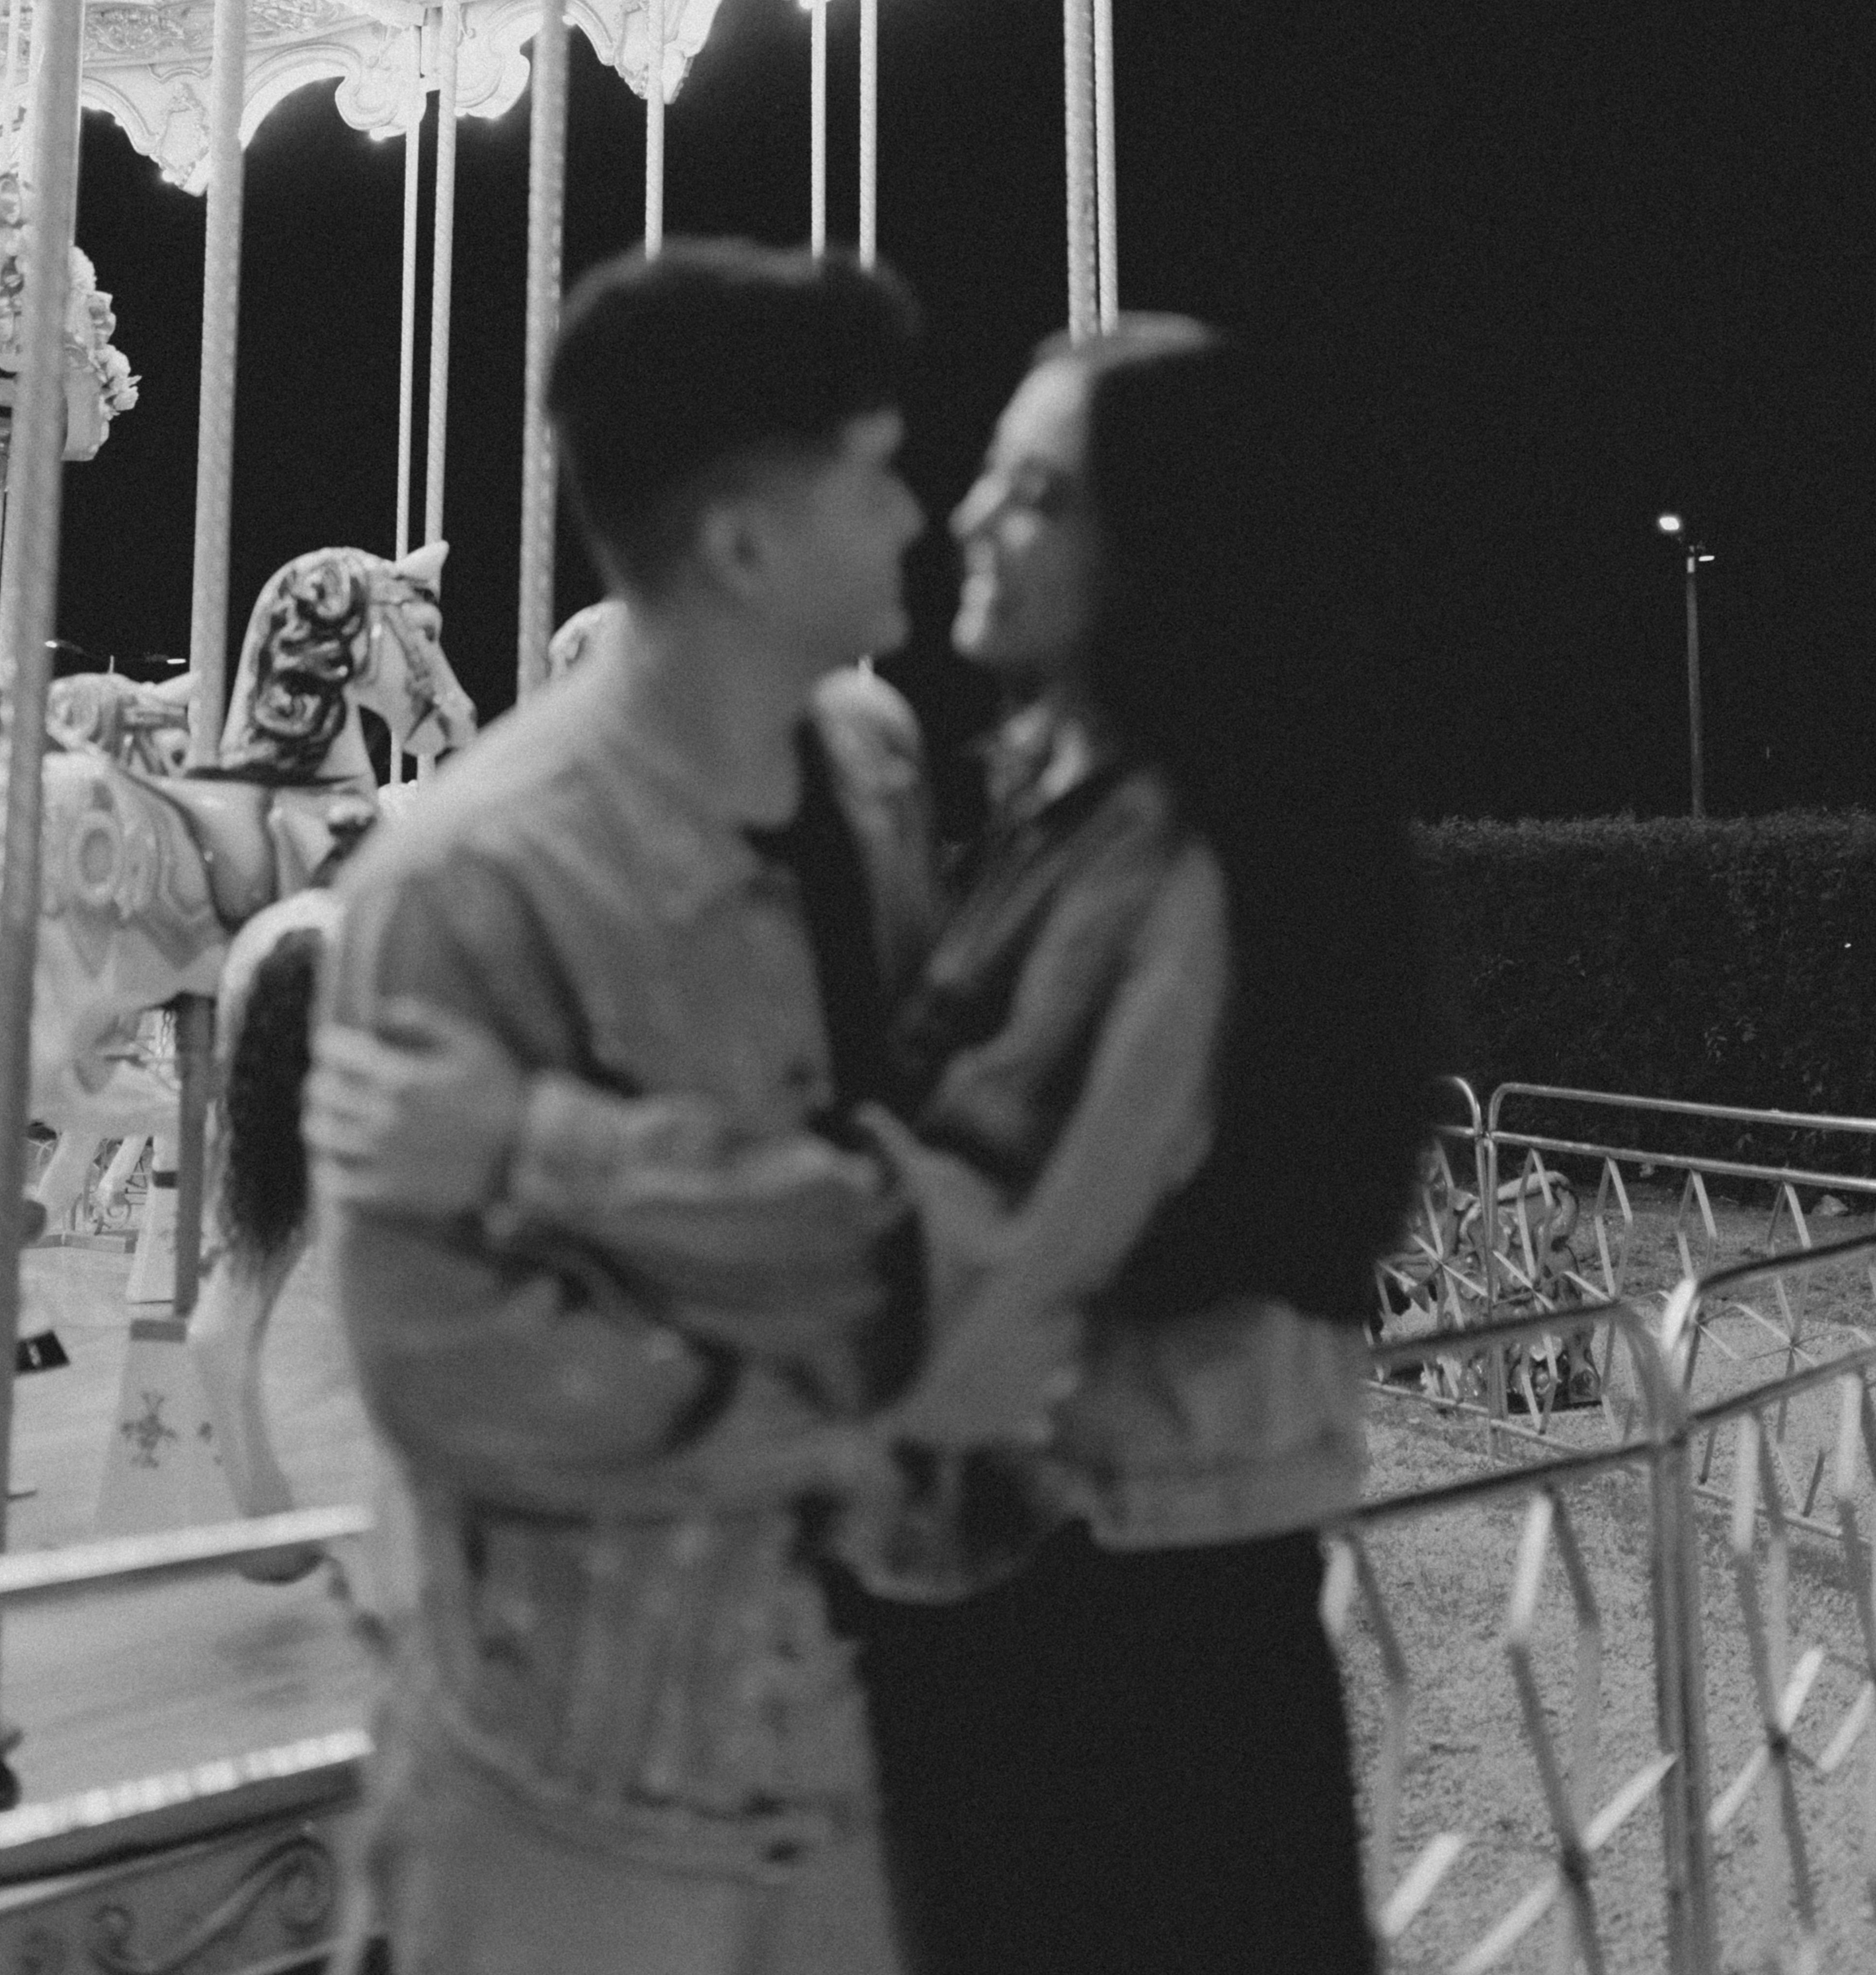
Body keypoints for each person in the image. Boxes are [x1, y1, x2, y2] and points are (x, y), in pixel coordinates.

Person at [315, 312, 1435, 1973]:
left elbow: (967, 1239)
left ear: (1165, 554)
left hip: (1116, 1628)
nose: (957, 515)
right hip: (1051, 1601)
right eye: (954, 476)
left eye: (1036, 494)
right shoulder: (1047, 805)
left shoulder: (1174, 865)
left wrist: (531, 1144)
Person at [318, 240, 959, 1975]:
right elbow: (455, 1370)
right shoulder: (461, 883)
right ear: (747, 543)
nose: (917, 520)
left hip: (843, 1738)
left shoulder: (873, 781)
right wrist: (851, 1415)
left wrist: (584, 1178)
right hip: (577, 1780)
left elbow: (933, 1196)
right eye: (878, 476)